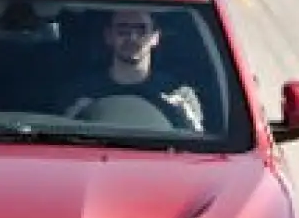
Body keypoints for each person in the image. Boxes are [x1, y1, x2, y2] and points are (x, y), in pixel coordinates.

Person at [60, 7, 205, 130]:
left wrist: (187, 118)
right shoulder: (81, 92)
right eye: (123, 30)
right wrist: (71, 119)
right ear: (109, 36)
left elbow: (201, 148)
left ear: (155, 37)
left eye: (141, 30)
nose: (132, 37)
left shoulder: (178, 93)